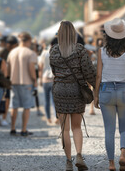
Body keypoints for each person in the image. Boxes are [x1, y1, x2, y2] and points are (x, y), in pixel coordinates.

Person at [49, 21, 97, 171]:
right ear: (74, 33)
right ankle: (79, 155)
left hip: (60, 90)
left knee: (64, 129)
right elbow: (88, 71)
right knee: (77, 127)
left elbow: (54, 71)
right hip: (76, 90)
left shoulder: (54, 51)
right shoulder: (80, 50)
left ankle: (68, 162)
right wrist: (97, 84)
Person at [93, 18, 125, 171]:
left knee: (109, 130)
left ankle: (111, 163)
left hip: (106, 90)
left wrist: (96, 95)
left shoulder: (101, 52)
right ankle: (122, 154)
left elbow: (98, 75)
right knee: (124, 128)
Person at [7, 32, 37, 137]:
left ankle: (13, 128)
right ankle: (24, 129)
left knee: (14, 106)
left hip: (13, 82)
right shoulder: (30, 53)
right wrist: (35, 81)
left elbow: (8, 69)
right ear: (28, 41)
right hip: (26, 82)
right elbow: (31, 69)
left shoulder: (12, 52)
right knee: (26, 107)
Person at [0, 35, 18, 126]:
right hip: (4, 78)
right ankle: (2, 117)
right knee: (6, 99)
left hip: (4, 78)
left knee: (4, 99)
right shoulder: (5, 52)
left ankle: (1, 117)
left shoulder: (3, 52)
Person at [38, 40, 56, 124]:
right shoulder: (56, 53)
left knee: (46, 100)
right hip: (53, 78)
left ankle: (48, 118)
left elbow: (40, 67)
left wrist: (40, 79)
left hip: (45, 78)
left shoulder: (44, 53)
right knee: (54, 100)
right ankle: (56, 118)